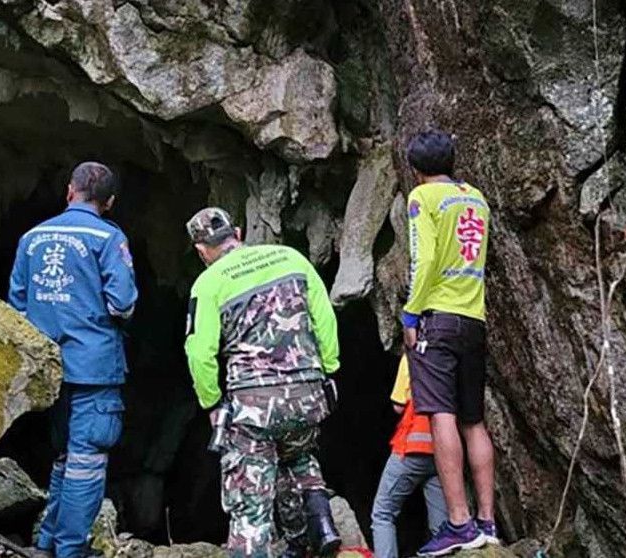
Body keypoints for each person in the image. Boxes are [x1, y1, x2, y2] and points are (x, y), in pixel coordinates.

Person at [183, 207, 342, 558]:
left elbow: (199, 353)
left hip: (254, 406)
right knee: (297, 454)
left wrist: (211, 403)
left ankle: (265, 546)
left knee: (250, 507)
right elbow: (325, 319)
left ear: (201, 250)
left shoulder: (208, 284)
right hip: (307, 393)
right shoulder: (291, 258)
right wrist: (328, 370)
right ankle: (317, 521)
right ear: (237, 232)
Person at [9, 162, 137, 558]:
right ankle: (71, 549)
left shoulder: (32, 237)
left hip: (48, 369)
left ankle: (48, 541)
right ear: (109, 202)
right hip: (94, 368)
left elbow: (17, 303)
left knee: (64, 456)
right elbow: (123, 303)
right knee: (87, 459)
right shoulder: (107, 237)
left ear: (69, 192)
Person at [400, 131, 498, 556]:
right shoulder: (476, 198)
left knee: (442, 414)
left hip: (437, 320)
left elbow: (424, 260)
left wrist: (410, 313)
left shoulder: (423, 198)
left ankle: (459, 522)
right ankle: (487, 522)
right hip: (473, 319)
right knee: (474, 420)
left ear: (417, 170)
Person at [371, 355, 447, 558]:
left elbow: (398, 405)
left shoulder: (413, 355)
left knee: (382, 513)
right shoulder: (451, 356)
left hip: (412, 446)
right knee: (442, 528)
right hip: (443, 453)